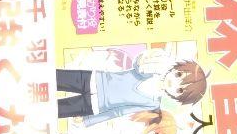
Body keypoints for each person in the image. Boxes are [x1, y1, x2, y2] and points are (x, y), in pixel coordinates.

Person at [56, 54, 208, 126]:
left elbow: (119, 112)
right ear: (175, 68)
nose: (173, 83)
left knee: (56, 110)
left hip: (94, 105)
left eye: (180, 90)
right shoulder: (152, 71)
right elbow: (138, 65)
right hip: (92, 79)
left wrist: (88, 120)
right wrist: (142, 59)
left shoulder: (152, 104)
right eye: (178, 75)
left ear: (178, 98)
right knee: (54, 78)